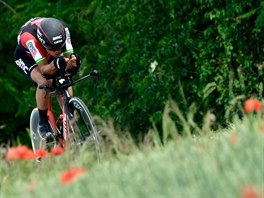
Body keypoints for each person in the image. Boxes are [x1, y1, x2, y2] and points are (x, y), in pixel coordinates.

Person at [14, 17, 81, 142]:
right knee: (44, 81)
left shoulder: (63, 30)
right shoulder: (29, 38)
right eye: (53, 48)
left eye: (60, 47)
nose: (57, 51)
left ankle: (69, 118)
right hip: (26, 57)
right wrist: (57, 64)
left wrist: (72, 63)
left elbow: (68, 59)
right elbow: (44, 69)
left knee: (64, 79)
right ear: (44, 43)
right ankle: (43, 123)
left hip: (45, 52)